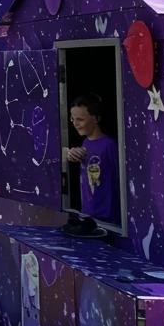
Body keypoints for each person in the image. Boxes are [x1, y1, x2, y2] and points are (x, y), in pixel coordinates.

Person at [63, 93, 119, 237]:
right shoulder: (85, 142)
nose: (75, 124)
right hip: (89, 214)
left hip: (108, 217)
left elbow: (120, 178)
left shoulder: (109, 145)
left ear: (96, 119)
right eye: (72, 119)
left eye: (80, 119)